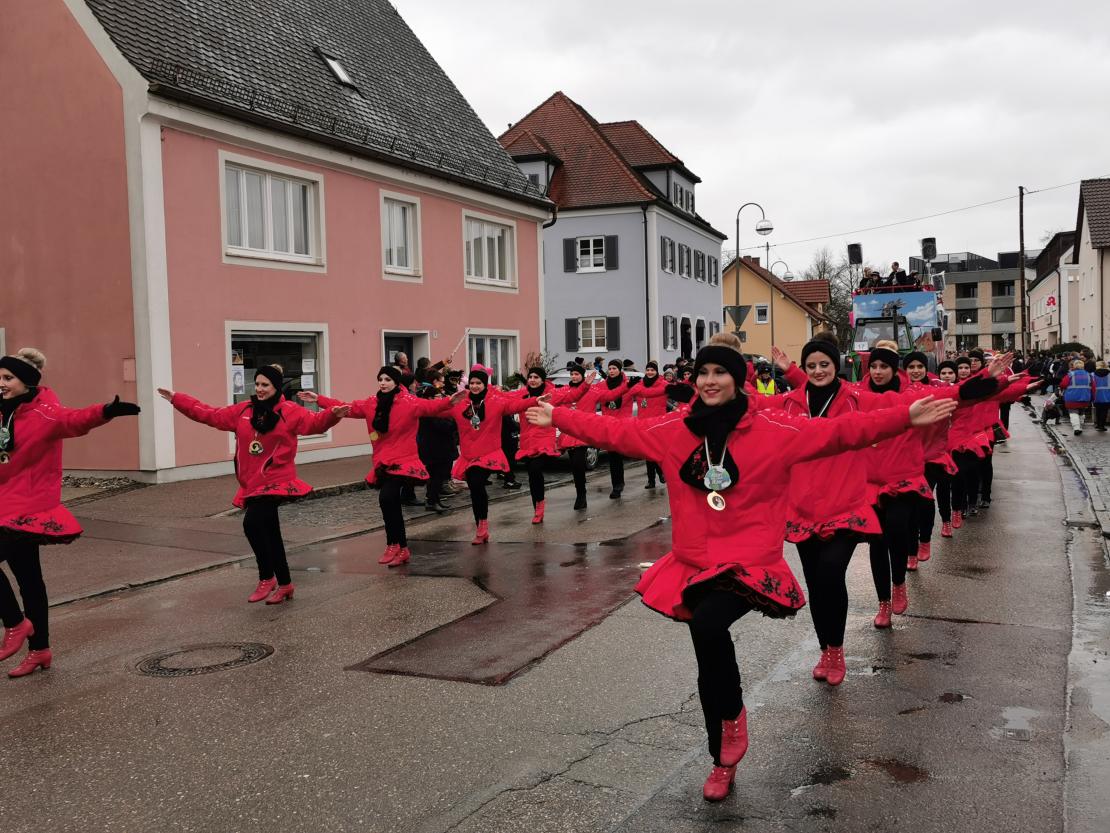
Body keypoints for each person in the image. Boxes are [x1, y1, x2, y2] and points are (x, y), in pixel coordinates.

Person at [526, 337, 957, 802]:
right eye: (703, 374)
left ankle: (734, 723)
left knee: (711, 624)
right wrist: (558, 416)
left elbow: (842, 431)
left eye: (720, 373)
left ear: (737, 380)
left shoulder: (774, 430)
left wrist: (905, 417)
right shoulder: (673, 429)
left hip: (750, 561)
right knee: (706, 654)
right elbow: (614, 434)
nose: (710, 382)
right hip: (694, 562)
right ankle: (723, 752)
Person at [1, 348, 140, 677]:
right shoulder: (3, 413)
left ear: (28, 383)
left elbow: (74, 420)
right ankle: (41, 650)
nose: (1, 384)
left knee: (29, 582)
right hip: (5, 505)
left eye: (7, 378)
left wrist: (105, 411)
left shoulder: (45, 414)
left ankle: (16, 623)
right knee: (30, 580)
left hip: (29, 508)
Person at [165, 365, 346, 603]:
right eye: (257, 384)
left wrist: (333, 414)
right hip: (252, 481)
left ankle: (266, 577)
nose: (259, 389)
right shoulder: (244, 411)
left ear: (276, 387)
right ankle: (286, 584)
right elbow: (210, 415)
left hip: (275, 480)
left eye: (265, 385)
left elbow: (314, 423)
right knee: (271, 533)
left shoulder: (290, 411)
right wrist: (177, 400)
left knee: (252, 524)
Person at [305, 367, 462, 565]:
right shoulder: (372, 403)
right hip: (383, 461)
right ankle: (402, 547)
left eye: (387, 379)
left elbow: (431, 408)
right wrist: (319, 399)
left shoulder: (409, 402)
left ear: (396, 382)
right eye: (380, 379)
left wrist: (450, 400)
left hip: (404, 461)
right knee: (390, 503)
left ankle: (393, 544)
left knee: (387, 498)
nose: (383, 382)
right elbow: (346, 407)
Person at [498, 366, 594, 522]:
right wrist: (486, 389)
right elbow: (503, 398)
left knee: (536, 468)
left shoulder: (551, 395)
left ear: (543, 380)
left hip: (544, 439)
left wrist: (585, 385)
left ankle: (544, 507)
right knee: (532, 475)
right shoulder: (522, 394)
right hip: (527, 441)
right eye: (530, 377)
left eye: (536, 377)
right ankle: (538, 507)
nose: (532, 380)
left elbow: (571, 396)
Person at [449, 365, 533, 544]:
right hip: (469, 455)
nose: (475, 386)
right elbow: (438, 408)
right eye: (472, 383)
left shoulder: (496, 401)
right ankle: (480, 524)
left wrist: (536, 400)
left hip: (489, 453)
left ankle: (483, 526)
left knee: (478, 482)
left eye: (478, 383)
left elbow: (517, 404)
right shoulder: (462, 403)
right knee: (474, 488)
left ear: (485, 384)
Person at [557, 362, 602, 509]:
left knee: (578, 464)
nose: (574, 377)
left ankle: (581, 496)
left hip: (583, 431)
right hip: (569, 432)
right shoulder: (565, 390)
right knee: (575, 467)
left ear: (582, 375)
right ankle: (580, 492)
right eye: (572, 374)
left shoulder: (592, 390)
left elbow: (610, 394)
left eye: (576, 374)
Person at [416, 371, 458, 513]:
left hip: (441, 448)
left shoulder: (438, 409)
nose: (441, 398)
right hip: (434, 448)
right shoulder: (428, 411)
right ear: (429, 398)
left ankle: (436, 500)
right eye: (437, 396)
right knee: (435, 476)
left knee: (439, 476)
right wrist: (455, 423)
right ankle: (431, 500)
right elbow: (441, 426)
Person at [626, 361, 669, 488]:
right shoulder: (640, 384)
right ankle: (651, 480)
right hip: (643, 424)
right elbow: (631, 391)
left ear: (656, 372)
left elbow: (665, 392)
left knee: (656, 451)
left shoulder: (663, 384)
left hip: (658, 423)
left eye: (652, 370)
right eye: (648, 370)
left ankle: (661, 472)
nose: (650, 372)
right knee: (647, 453)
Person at [1060, 358, 1094, 435]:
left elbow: (1063, 384)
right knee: (1081, 412)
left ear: (1074, 366)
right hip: (1085, 397)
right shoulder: (1089, 375)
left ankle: (1076, 428)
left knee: (1073, 412)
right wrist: (1092, 398)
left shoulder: (1070, 375)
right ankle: (1080, 426)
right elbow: (1093, 387)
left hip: (1072, 397)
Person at [1093, 361, 1110, 431]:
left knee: (1098, 409)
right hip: (1107, 394)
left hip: (1096, 394)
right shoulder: (1109, 374)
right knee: (1104, 410)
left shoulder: (1093, 374)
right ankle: (1101, 426)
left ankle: (1098, 424)